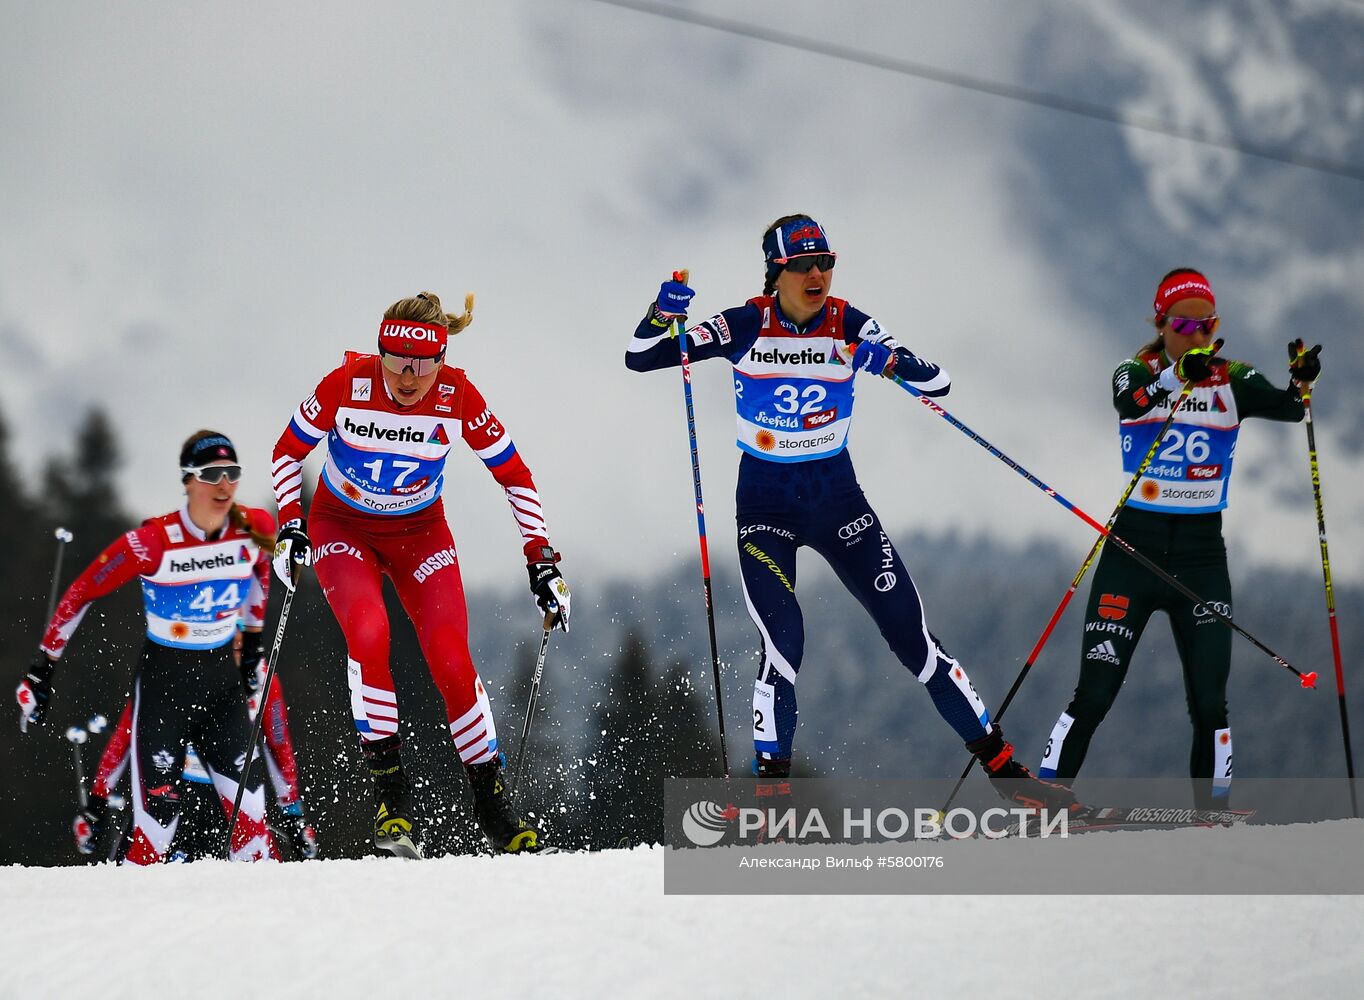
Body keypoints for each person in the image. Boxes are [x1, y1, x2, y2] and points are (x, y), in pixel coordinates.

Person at [624, 214, 1073, 810]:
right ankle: (769, 800)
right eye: (804, 265)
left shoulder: (849, 323)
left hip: (839, 504)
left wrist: (881, 359)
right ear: (776, 271)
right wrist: (661, 313)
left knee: (913, 639)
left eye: (826, 263)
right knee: (784, 642)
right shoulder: (744, 324)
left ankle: (1007, 774)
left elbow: (936, 381)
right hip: (766, 506)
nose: (818, 275)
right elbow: (640, 356)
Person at [269, 290, 570, 857]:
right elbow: (288, 452)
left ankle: (495, 809)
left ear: (442, 358)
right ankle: (392, 807)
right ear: (379, 352)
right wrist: (291, 524)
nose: (408, 377)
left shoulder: (458, 395)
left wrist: (542, 560)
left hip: (419, 534)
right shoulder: (346, 383)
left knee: (452, 659)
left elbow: (515, 475)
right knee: (368, 633)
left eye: (423, 363)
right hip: (341, 529)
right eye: (397, 361)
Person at [1037, 268, 1320, 807]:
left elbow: (1290, 407)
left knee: (1211, 701)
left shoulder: (1232, 376)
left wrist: (1302, 382)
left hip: (1200, 557)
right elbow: (1130, 404)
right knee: (1094, 692)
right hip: (1133, 554)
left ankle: (1213, 812)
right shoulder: (1134, 370)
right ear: (1162, 323)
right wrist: (1174, 378)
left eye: (1207, 324)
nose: (1197, 334)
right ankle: (1046, 796)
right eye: (1185, 324)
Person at [16, 431, 279, 864]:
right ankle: (124, 913)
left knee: (251, 823)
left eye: (232, 473)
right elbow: (82, 593)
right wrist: (43, 667)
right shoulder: (153, 541)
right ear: (188, 481)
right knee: (157, 827)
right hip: (165, 690)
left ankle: (254, 926)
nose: (224, 485)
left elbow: (261, 575)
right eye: (212, 474)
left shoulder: (255, 527)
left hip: (221, 688)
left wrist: (251, 644)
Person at [76, 648, 318, 861]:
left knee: (256, 884)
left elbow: (279, 746)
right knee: (138, 878)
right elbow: (125, 736)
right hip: (176, 799)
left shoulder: (263, 678)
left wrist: (293, 814)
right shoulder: (175, 667)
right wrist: (98, 801)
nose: (233, 647)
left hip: (228, 804)